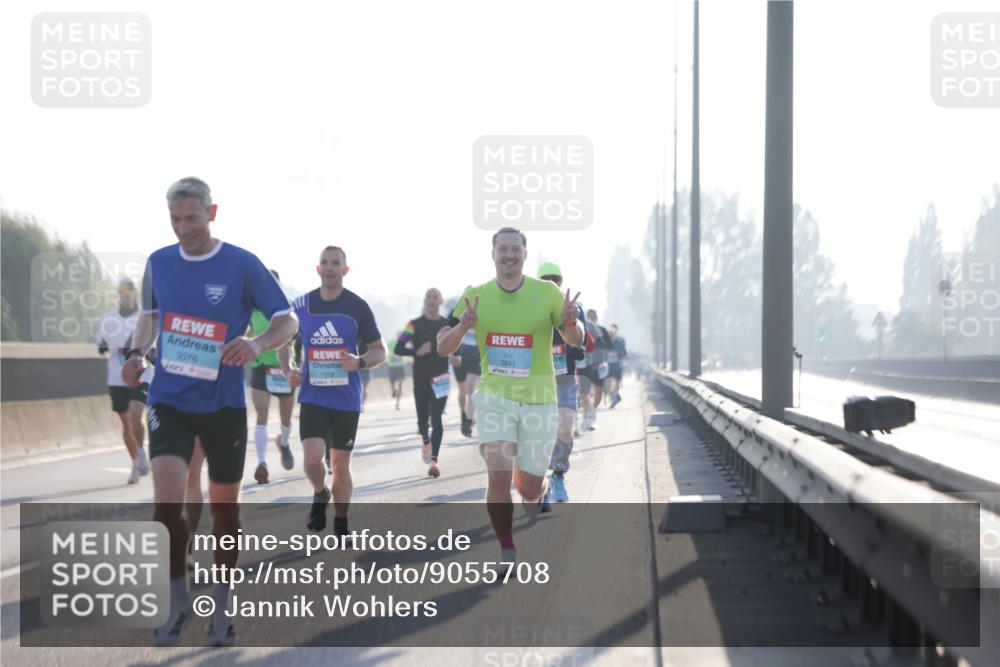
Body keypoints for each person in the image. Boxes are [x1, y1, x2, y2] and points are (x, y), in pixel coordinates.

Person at [123, 177, 298, 647]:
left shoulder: (241, 263)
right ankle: (178, 602)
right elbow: (151, 318)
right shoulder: (159, 262)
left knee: (226, 515)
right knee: (166, 504)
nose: (184, 229)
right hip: (169, 399)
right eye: (175, 220)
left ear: (212, 213)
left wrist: (256, 343)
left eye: (192, 219)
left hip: (222, 405)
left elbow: (288, 320)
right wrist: (136, 354)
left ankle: (221, 603)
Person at [437, 227, 583, 567]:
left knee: (528, 491)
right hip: (494, 398)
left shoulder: (547, 293)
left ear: (524, 255)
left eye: (515, 249)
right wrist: (463, 326)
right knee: (498, 474)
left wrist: (571, 323)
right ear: (493, 254)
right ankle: (506, 550)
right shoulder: (475, 296)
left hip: (538, 400)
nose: (509, 255)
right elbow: (443, 346)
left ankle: (540, 488)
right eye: (502, 249)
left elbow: (575, 339)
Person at [279, 245, 385, 540]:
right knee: (313, 458)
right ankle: (320, 491)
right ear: (318, 269)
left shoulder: (357, 306)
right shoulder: (301, 304)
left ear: (345, 270)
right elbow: (283, 340)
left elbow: (380, 350)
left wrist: (359, 362)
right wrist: (288, 370)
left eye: (335, 263)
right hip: (313, 396)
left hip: (346, 400)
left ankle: (341, 522)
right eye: (324, 262)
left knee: (340, 464)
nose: (329, 267)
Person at [537, 263, 585, 505]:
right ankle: (540, 481)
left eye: (555, 279)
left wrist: (570, 324)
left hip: (564, 377)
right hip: (536, 379)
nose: (551, 282)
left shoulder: (574, 308)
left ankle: (557, 475)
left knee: (564, 428)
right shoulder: (531, 307)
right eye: (546, 279)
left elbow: (580, 340)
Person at [96, 278, 152, 484]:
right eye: (123, 291)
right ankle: (137, 462)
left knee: (136, 416)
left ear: (136, 294)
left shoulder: (145, 317)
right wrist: (102, 345)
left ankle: (141, 453)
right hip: (116, 377)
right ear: (119, 294)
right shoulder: (108, 317)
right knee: (126, 424)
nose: (127, 295)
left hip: (140, 375)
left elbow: (153, 342)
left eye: (131, 291)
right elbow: (100, 343)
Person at [394, 288, 451, 477]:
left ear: (441, 301)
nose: (432, 300)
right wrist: (417, 351)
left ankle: (434, 461)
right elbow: (398, 348)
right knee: (422, 422)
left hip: (441, 378)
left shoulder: (447, 324)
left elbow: (456, 345)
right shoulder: (413, 325)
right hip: (421, 378)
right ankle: (426, 440)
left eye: (435, 297)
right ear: (425, 300)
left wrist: (456, 356)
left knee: (437, 418)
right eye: (429, 297)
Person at [247, 269, 296, 484]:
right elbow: (246, 332)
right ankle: (262, 464)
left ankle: (283, 442)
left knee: (286, 418)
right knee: (262, 413)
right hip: (261, 366)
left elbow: (295, 335)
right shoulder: (251, 310)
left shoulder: (287, 309)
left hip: (283, 368)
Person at [449, 287, 481, 438]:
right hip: (459, 357)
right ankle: (464, 415)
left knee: (470, 390)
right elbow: (449, 336)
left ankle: (468, 420)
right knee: (462, 392)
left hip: (475, 357)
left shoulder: (483, 313)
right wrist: (452, 355)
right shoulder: (455, 313)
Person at [605, 324, 628, 409]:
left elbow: (624, 353)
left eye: (612, 333)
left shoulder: (619, 342)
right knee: (607, 383)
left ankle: (615, 395)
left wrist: (618, 355)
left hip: (617, 366)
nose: (610, 335)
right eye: (609, 334)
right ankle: (613, 398)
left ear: (615, 334)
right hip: (607, 366)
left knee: (617, 384)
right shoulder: (604, 342)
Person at [386, 341, 406, 410]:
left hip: (400, 367)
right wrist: (389, 357)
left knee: (400, 384)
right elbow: (385, 351)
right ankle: (393, 391)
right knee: (392, 383)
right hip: (392, 367)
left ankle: (398, 403)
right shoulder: (390, 343)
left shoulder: (403, 343)